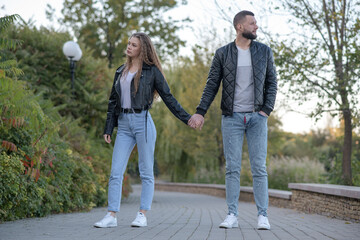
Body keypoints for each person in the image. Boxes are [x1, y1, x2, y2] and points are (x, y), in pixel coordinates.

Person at [188, 10, 277, 230]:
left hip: (257, 118)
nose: (256, 27)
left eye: (256, 23)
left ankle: (263, 216)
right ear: (240, 27)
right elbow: (211, 85)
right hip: (232, 118)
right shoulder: (222, 53)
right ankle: (231, 214)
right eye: (252, 23)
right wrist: (200, 111)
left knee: (259, 168)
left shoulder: (264, 52)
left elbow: (272, 83)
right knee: (232, 169)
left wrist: (266, 110)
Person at [94, 32, 193, 228]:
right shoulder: (120, 70)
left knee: (146, 171)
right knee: (115, 172)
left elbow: (168, 97)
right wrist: (109, 127)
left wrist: (187, 118)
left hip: (143, 122)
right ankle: (111, 216)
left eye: (134, 45)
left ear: (143, 49)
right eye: (129, 43)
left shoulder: (152, 71)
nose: (129, 47)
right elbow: (113, 101)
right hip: (123, 124)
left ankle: (142, 214)